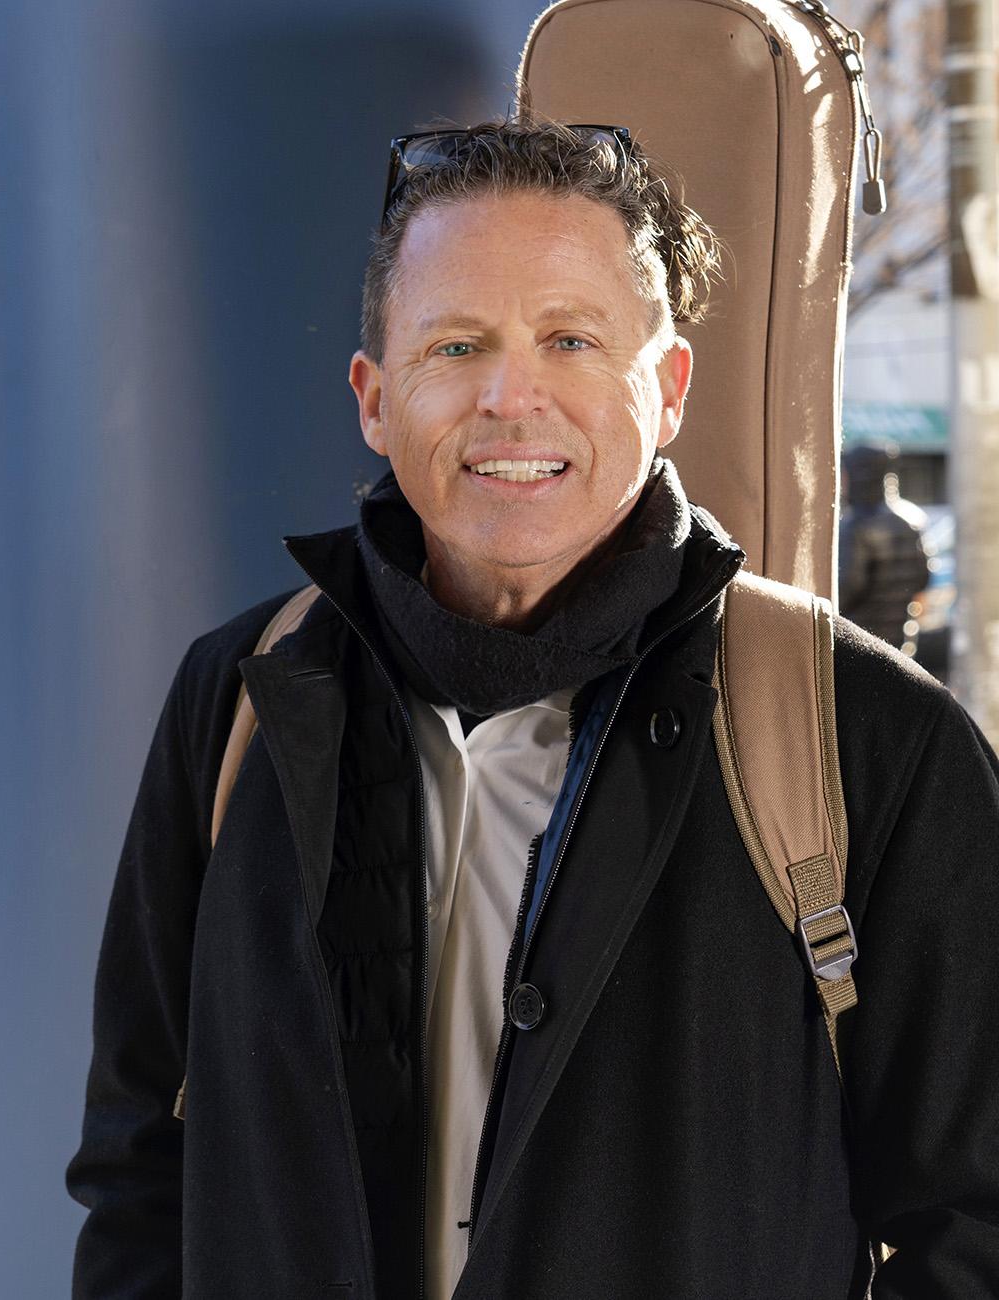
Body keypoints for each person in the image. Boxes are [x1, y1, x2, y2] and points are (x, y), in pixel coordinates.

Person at [66, 119, 999, 1299]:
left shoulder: (867, 737)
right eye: (456, 344)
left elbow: (974, 1224)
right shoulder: (240, 694)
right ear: (374, 395)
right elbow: (137, 1160)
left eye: (571, 339)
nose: (512, 396)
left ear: (664, 389)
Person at [838, 441, 931, 656]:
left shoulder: (855, 525)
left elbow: (848, 589)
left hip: (860, 645)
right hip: (902, 644)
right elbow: (923, 579)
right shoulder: (912, 518)